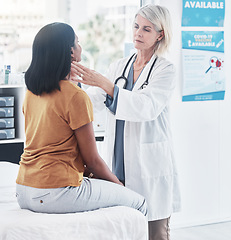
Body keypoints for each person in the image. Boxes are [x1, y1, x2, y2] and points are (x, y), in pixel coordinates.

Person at [15, 22, 147, 217]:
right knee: (139, 203)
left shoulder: (32, 91)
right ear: (70, 52)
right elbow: (92, 161)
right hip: (54, 191)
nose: (80, 47)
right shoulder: (75, 96)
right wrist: (119, 186)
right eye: (77, 42)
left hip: (24, 189)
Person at [71, 4, 181, 240]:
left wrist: (105, 83)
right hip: (118, 161)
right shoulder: (119, 66)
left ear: (160, 34)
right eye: (136, 26)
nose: (138, 33)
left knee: (156, 233)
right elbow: (93, 102)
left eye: (147, 29)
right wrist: (70, 90)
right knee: (124, 229)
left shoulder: (165, 70)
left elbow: (146, 107)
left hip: (148, 164)